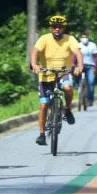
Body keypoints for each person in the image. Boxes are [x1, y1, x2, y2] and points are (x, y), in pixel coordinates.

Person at [31, 15, 83, 146]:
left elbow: (77, 53)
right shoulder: (44, 39)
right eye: (54, 27)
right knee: (44, 105)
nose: (57, 29)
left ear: (63, 28)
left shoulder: (70, 39)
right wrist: (35, 64)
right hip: (46, 75)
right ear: (51, 28)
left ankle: (67, 109)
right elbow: (35, 52)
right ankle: (42, 135)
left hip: (63, 73)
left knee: (68, 88)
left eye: (60, 27)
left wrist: (79, 67)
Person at [78, 31, 97, 106]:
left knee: (91, 82)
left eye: (85, 37)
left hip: (90, 66)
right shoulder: (78, 45)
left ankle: (90, 100)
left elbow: (96, 57)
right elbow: (74, 56)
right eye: (83, 37)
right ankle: (79, 90)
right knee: (76, 78)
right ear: (80, 38)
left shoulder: (92, 45)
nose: (84, 39)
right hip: (81, 66)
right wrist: (74, 65)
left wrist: (95, 67)